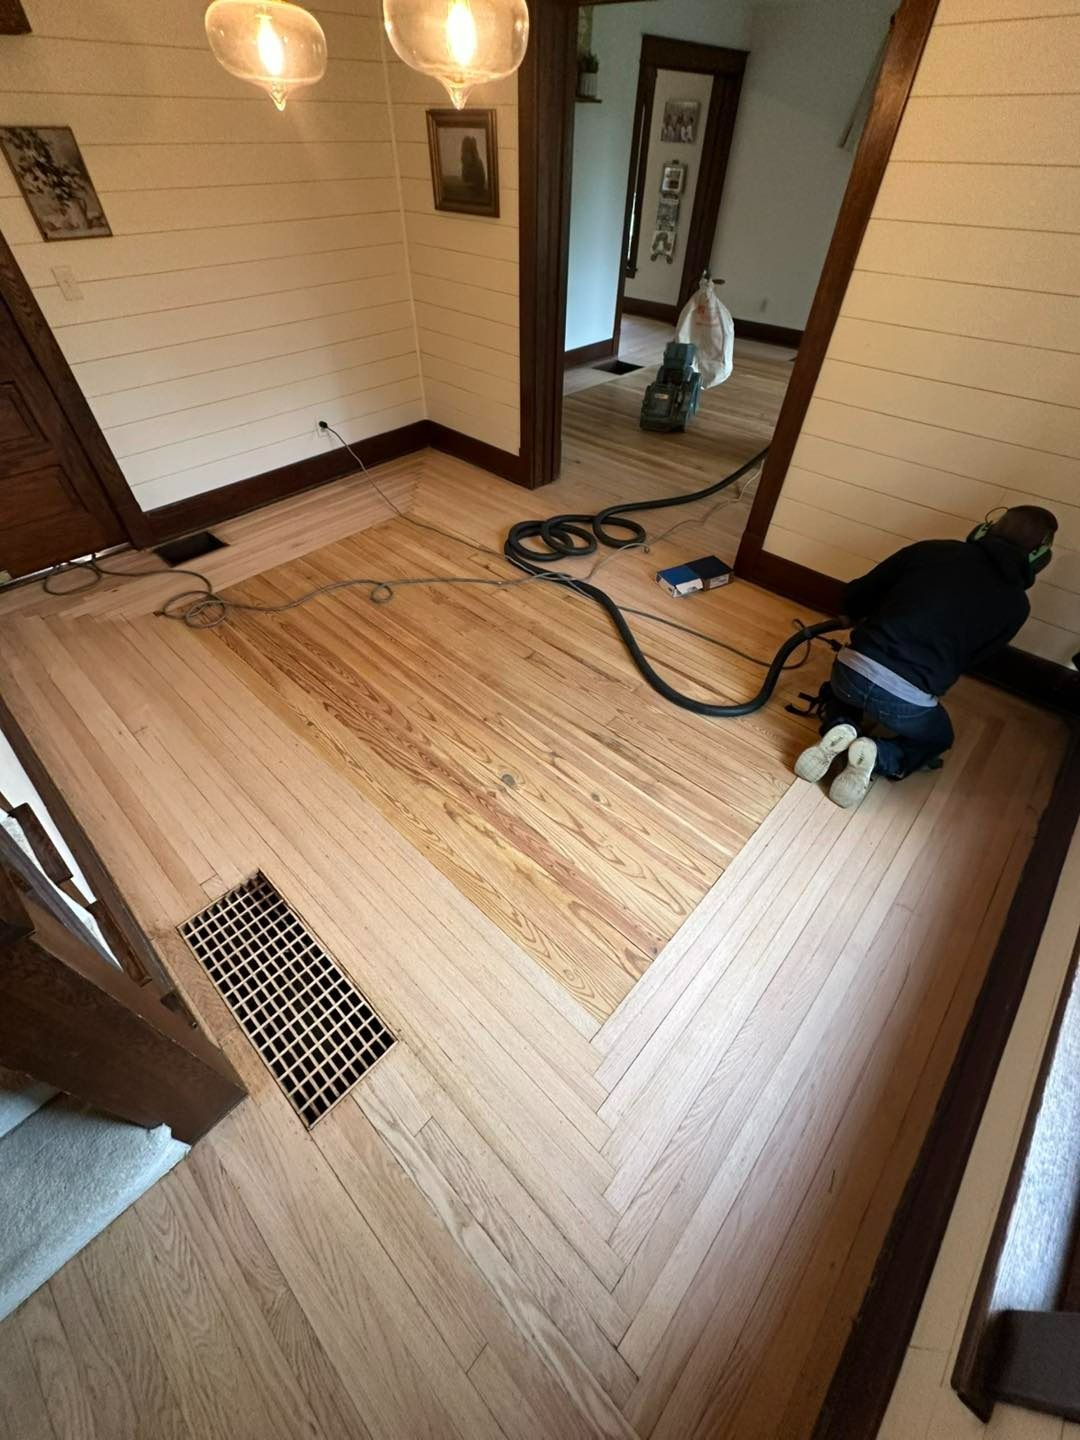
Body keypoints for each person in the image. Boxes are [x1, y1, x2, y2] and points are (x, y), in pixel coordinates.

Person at [794, 505, 1058, 810]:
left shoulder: (932, 550)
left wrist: (859, 612)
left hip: (851, 670)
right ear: (1038, 557)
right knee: (937, 737)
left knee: (841, 693)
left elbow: (858, 594)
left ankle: (839, 726)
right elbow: (972, 660)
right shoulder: (1016, 607)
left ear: (986, 529)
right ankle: (879, 755)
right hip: (907, 701)